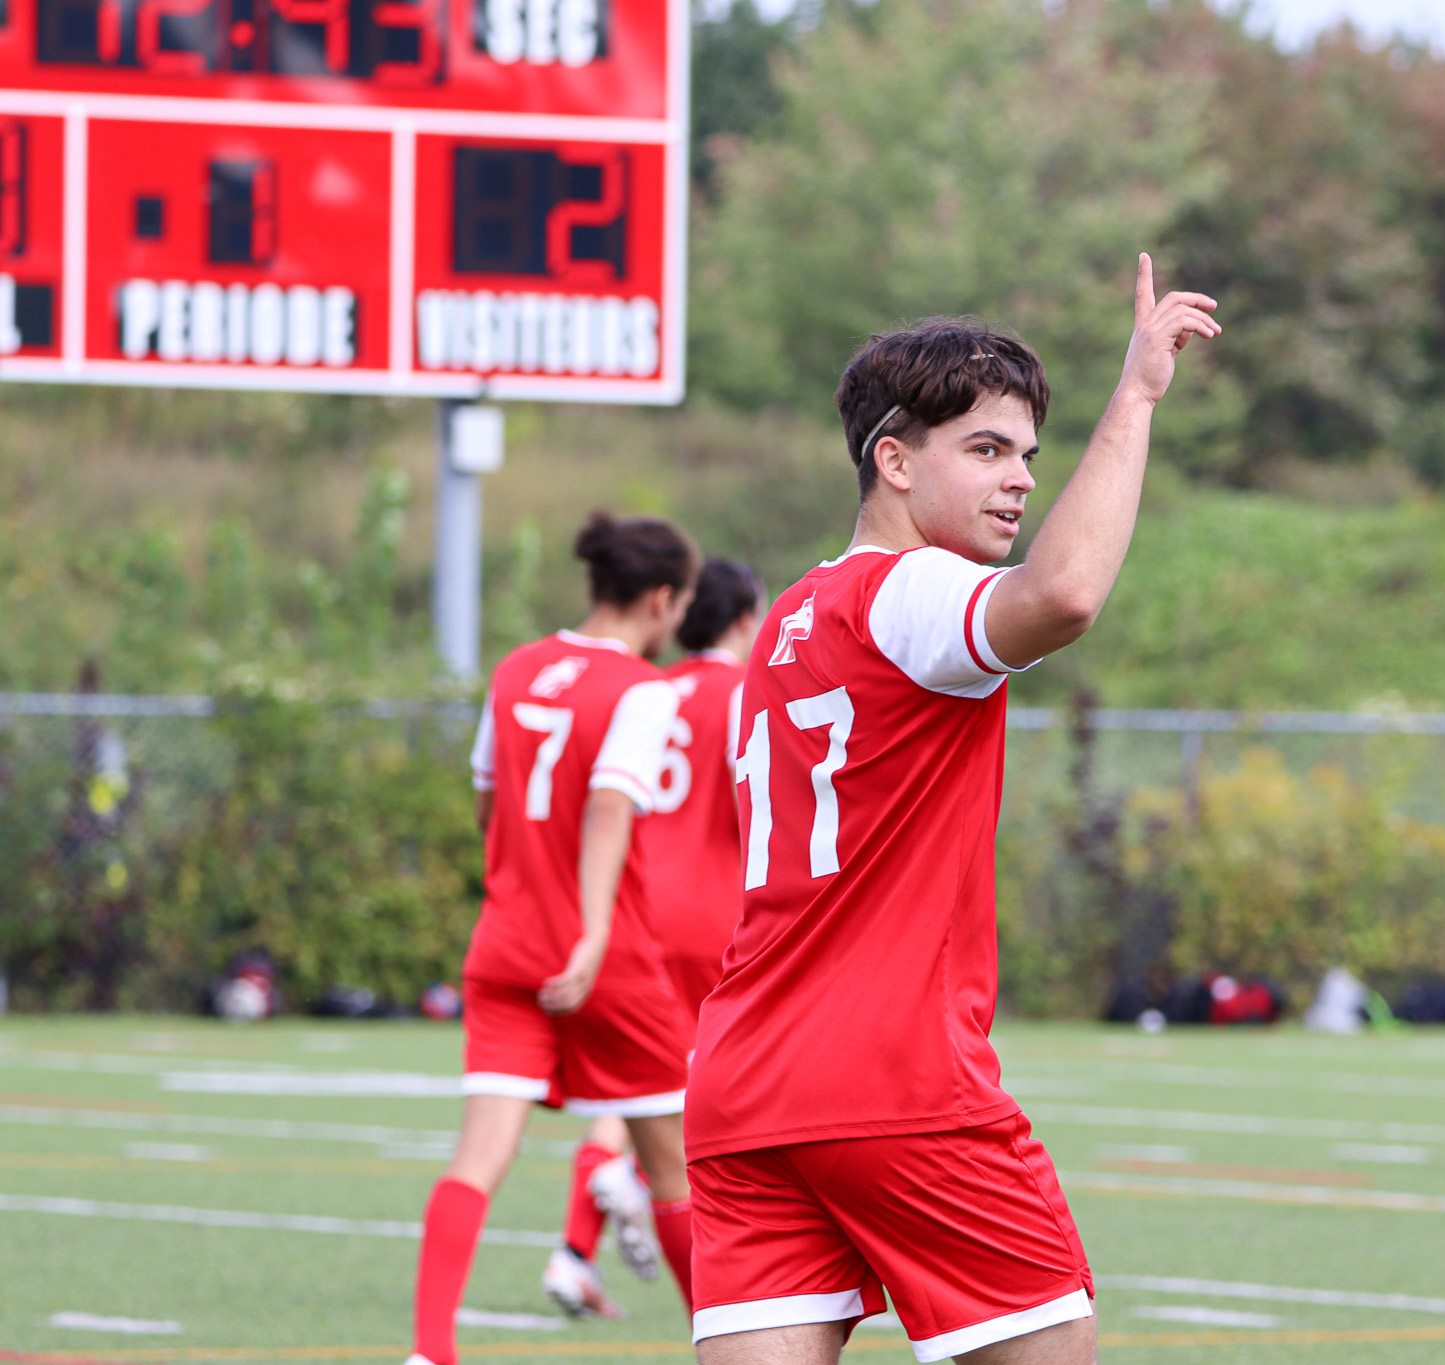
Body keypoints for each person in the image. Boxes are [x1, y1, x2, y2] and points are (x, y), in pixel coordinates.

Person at [684, 255, 1220, 1364]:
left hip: (743, 1080)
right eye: (984, 450)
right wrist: (1135, 396)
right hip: (895, 1078)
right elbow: (1063, 595)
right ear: (892, 459)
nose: (1019, 480)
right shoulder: (910, 590)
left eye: (1027, 455)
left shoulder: (790, 617)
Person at [404, 513, 702, 1365]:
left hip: (505, 944)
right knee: (674, 1170)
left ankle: (430, 1352)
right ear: (660, 598)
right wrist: (594, 926)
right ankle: (727, 1347)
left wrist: (518, 877)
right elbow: (609, 802)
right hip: (605, 958)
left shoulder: (517, 667)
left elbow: (487, 799)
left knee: (477, 1157)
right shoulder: (643, 688)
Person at [545, 557, 767, 1316]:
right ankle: (636, 1184)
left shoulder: (652, 687)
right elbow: (756, 800)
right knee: (704, 1092)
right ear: (745, 618)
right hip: (713, 915)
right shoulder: (744, 692)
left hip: (636, 908)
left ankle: (575, 1251)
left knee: (641, 1083)